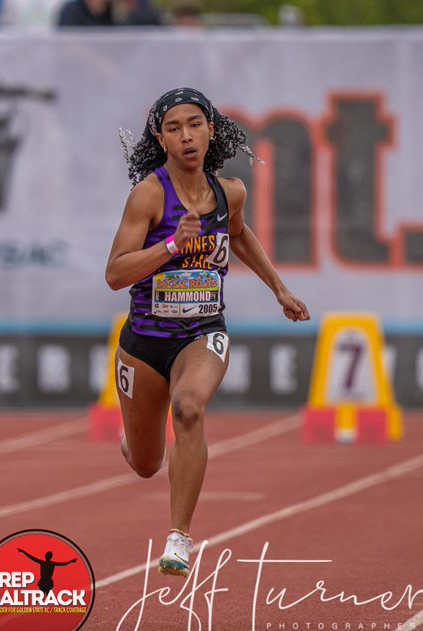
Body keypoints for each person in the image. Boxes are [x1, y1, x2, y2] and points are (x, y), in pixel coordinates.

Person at [107, 87, 309, 576]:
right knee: (145, 463)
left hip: (203, 332)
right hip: (144, 342)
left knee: (190, 408)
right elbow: (115, 273)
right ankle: (132, 440)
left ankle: (179, 538)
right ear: (161, 139)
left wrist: (278, 288)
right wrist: (170, 247)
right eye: (174, 128)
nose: (187, 136)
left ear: (212, 129)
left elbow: (238, 234)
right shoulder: (150, 195)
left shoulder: (229, 192)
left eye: (195, 124)